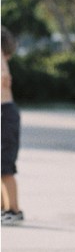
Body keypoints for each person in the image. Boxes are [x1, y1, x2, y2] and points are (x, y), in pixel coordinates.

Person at [1, 26, 24, 225]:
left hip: (5, 115)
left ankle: (13, 210)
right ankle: (2, 207)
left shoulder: (1, 66)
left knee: (5, 167)